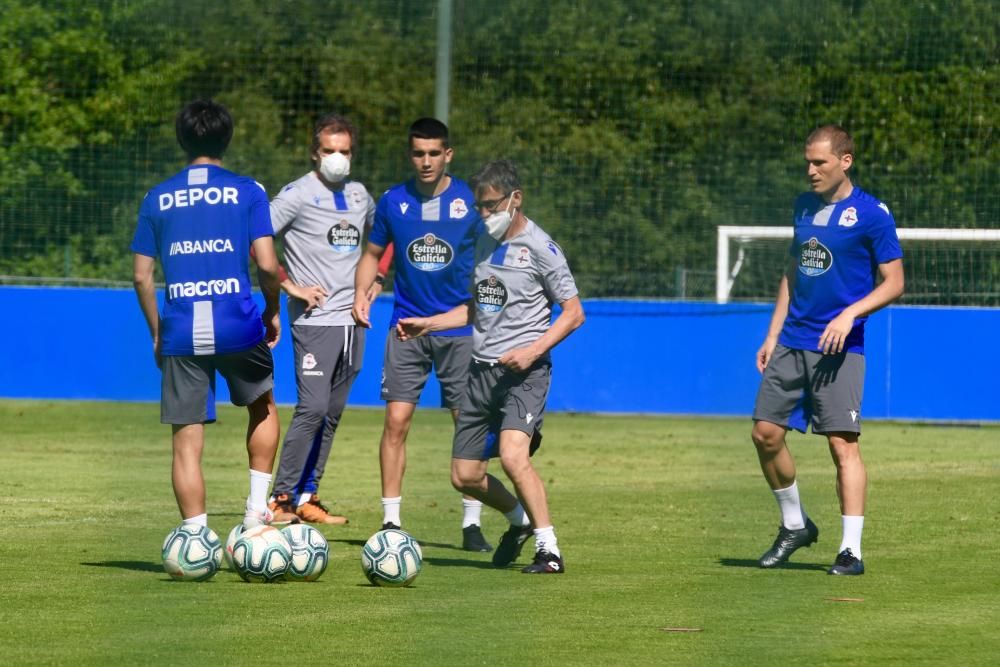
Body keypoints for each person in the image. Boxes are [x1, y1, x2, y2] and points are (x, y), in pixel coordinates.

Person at [397, 159, 585, 574]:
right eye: (479, 206)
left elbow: (573, 313)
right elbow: (476, 309)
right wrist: (428, 323)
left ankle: (549, 550)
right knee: (464, 475)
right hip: (480, 374)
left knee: (513, 456)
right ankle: (518, 521)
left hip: (525, 374)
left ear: (515, 199)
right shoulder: (480, 241)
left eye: (490, 205)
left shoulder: (542, 249)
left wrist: (532, 352)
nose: (484, 214)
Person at [751, 125, 904, 576]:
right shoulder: (802, 207)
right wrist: (772, 333)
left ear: (845, 161)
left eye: (819, 162)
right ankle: (795, 524)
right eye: (807, 162)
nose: (811, 170)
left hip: (840, 347)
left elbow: (895, 282)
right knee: (765, 434)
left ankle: (851, 551)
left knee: (842, 445)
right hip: (792, 340)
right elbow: (792, 272)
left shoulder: (872, 213)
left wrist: (849, 315)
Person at [131, 99, 283, 531]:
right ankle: (256, 514)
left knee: (186, 438)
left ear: (181, 139)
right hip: (237, 322)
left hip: (180, 328)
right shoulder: (248, 190)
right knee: (263, 407)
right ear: (227, 139)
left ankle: (195, 538)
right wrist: (272, 310)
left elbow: (142, 276)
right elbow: (269, 266)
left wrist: (158, 333)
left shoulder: (157, 196)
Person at [352, 118, 492, 552]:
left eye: (434, 153)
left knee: (466, 424)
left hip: (458, 329)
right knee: (396, 421)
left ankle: (471, 525)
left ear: (448, 154)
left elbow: (492, 256)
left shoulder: (470, 201)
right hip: (406, 328)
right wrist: (363, 291)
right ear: (409, 154)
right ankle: (391, 521)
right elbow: (372, 254)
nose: (426, 161)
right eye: (418, 153)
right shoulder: (393, 202)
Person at [262, 113, 394, 526]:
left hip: (354, 321)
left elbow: (383, 235)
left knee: (332, 412)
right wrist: (289, 286)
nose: (337, 158)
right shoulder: (297, 194)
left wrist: (377, 280)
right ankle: (280, 498)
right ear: (314, 152)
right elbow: (257, 238)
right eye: (329, 150)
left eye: (345, 151)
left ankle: (308, 496)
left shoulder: (358, 194)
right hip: (315, 321)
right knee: (312, 407)